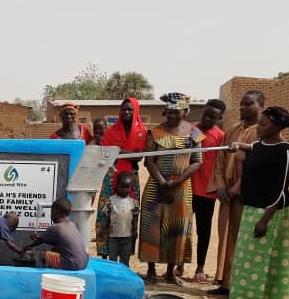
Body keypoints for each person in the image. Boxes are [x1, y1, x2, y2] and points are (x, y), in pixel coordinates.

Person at [226, 107, 289, 299]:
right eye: (259, 124)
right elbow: (254, 148)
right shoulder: (259, 145)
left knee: (258, 261)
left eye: (264, 125)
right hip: (251, 208)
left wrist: (264, 221)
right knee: (244, 259)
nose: (259, 128)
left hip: (269, 212)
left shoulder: (285, 151)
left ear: (277, 126)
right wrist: (240, 145)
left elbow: (281, 189)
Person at [138, 93, 203, 285]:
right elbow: (150, 160)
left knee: (177, 228)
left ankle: (170, 272)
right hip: (156, 186)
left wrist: (177, 181)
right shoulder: (156, 132)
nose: (172, 115)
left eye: (177, 112)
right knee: (151, 226)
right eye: (170, 111)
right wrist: (162, 182)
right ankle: (151, 270)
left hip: (181, 188)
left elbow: (197, 161)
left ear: (186, 111)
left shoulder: (194, 133)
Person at [209, 91, 265, 296]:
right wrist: (220, 186)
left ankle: (241, 285)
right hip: (227, 194)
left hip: (246, 195)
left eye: (248, 104)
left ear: (260, 106)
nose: (242, 107)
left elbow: (256, 167)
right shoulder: (232, 130)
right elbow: (220, 160)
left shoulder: (262, 132)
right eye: (241, 103)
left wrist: (236, 189)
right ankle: (226, 283)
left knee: (244, 238)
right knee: (227, 237)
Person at [95, 97, 149, 258]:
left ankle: (125, 255)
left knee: (129, 213)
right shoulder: (111, 132)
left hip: (130, 177)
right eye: (124, 109)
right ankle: (104, 254)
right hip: (112, 175)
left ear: (136, 111)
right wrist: (127, 153)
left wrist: (119, 150)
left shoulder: (141, 132)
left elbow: (139, 157)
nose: (126, 112)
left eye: (130, 109)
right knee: (105, 212)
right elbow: (106, 153)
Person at [188, 99, 226, 283]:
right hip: (187, 188)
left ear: (219, 118)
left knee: (203, 231)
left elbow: (222, 164)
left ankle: (200, 267)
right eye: (206, 115)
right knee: (184, 229)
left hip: (207, 192)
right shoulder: (191, 130)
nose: (207, 119)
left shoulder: (220, 136)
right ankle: (179, 264)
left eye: (212, 117)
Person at [29, 198, 89, 270]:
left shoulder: (56, 227)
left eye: (51, 212)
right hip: (84, 262)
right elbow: (59, 242)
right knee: (55, 250)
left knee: (40, 254)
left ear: (55, 212)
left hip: (72, 264)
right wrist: (39, 238)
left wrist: (27, 247)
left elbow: (40, 241)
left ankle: (40, 273)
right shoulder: (72, 224)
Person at [99, 171, 139, 266]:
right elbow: (106, 217)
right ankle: (113, 274)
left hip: (127, 236)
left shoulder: (133, 202)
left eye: (127, 187)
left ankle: (123, 274)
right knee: (113, 259)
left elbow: (135, 218)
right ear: (117, 186)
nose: (124, 189)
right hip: (113, 237)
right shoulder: (111, 200)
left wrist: (135, 230)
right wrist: (103, 229)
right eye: (122, 187)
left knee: (125, 259)